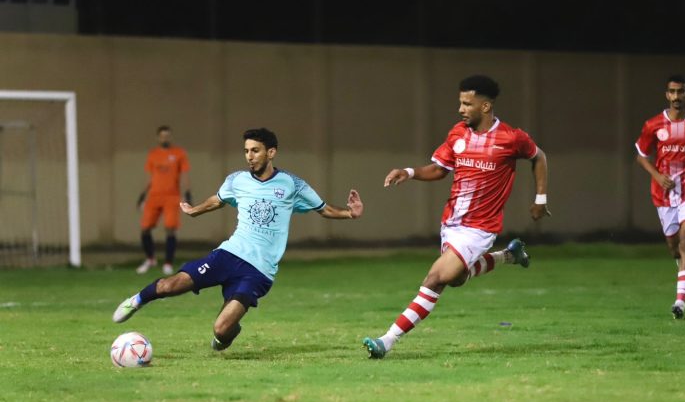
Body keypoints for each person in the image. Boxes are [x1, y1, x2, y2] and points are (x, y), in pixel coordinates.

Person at [114, 127, 364, 351]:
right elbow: (218, 199)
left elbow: (323, 208)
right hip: (228, 255)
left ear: (271, 152)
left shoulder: (292, 184)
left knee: (221, 330)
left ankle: (228, 333)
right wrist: (195, 210)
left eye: (255, 150)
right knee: (170, 286)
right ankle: (136, 300)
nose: (249, 156)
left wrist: (349, 213)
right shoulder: (237, 180)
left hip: (258, 271)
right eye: (246, 151)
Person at [363, 75, 550, 359]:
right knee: (458, 278)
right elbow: (440, 169)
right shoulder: (458, 133)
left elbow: (539, 157)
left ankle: (386, 341)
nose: (461, 109)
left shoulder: (511, 138)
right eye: (460, 103)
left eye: (467, 104)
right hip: (451, 222)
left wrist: (540, 199)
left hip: (479, 228)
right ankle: (509, 256)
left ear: (485, 106)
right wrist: (409, 172)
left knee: (436, 278)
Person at [635, 74, 685, 319]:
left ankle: (680, 303)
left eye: (681, 91)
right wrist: (657, 175)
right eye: (672, 92)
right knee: (674, 248)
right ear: (666, 95)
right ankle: (682, 267)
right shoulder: (653, 125)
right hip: (665, 194)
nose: (676, 96)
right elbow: (641, 155)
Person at [136, 125, 192, 275]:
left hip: (172, 196)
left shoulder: (179, 153)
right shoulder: (153, 154)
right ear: (158, 138)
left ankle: (168, 263)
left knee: (170, 229)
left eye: (167, 136)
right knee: (145, 228)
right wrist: (142, 195)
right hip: (154, 196)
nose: (165, 138)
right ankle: (150, 259)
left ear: (170, 137)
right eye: (162, 136)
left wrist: (187, 193)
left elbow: (185, 174)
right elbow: (149, 177)